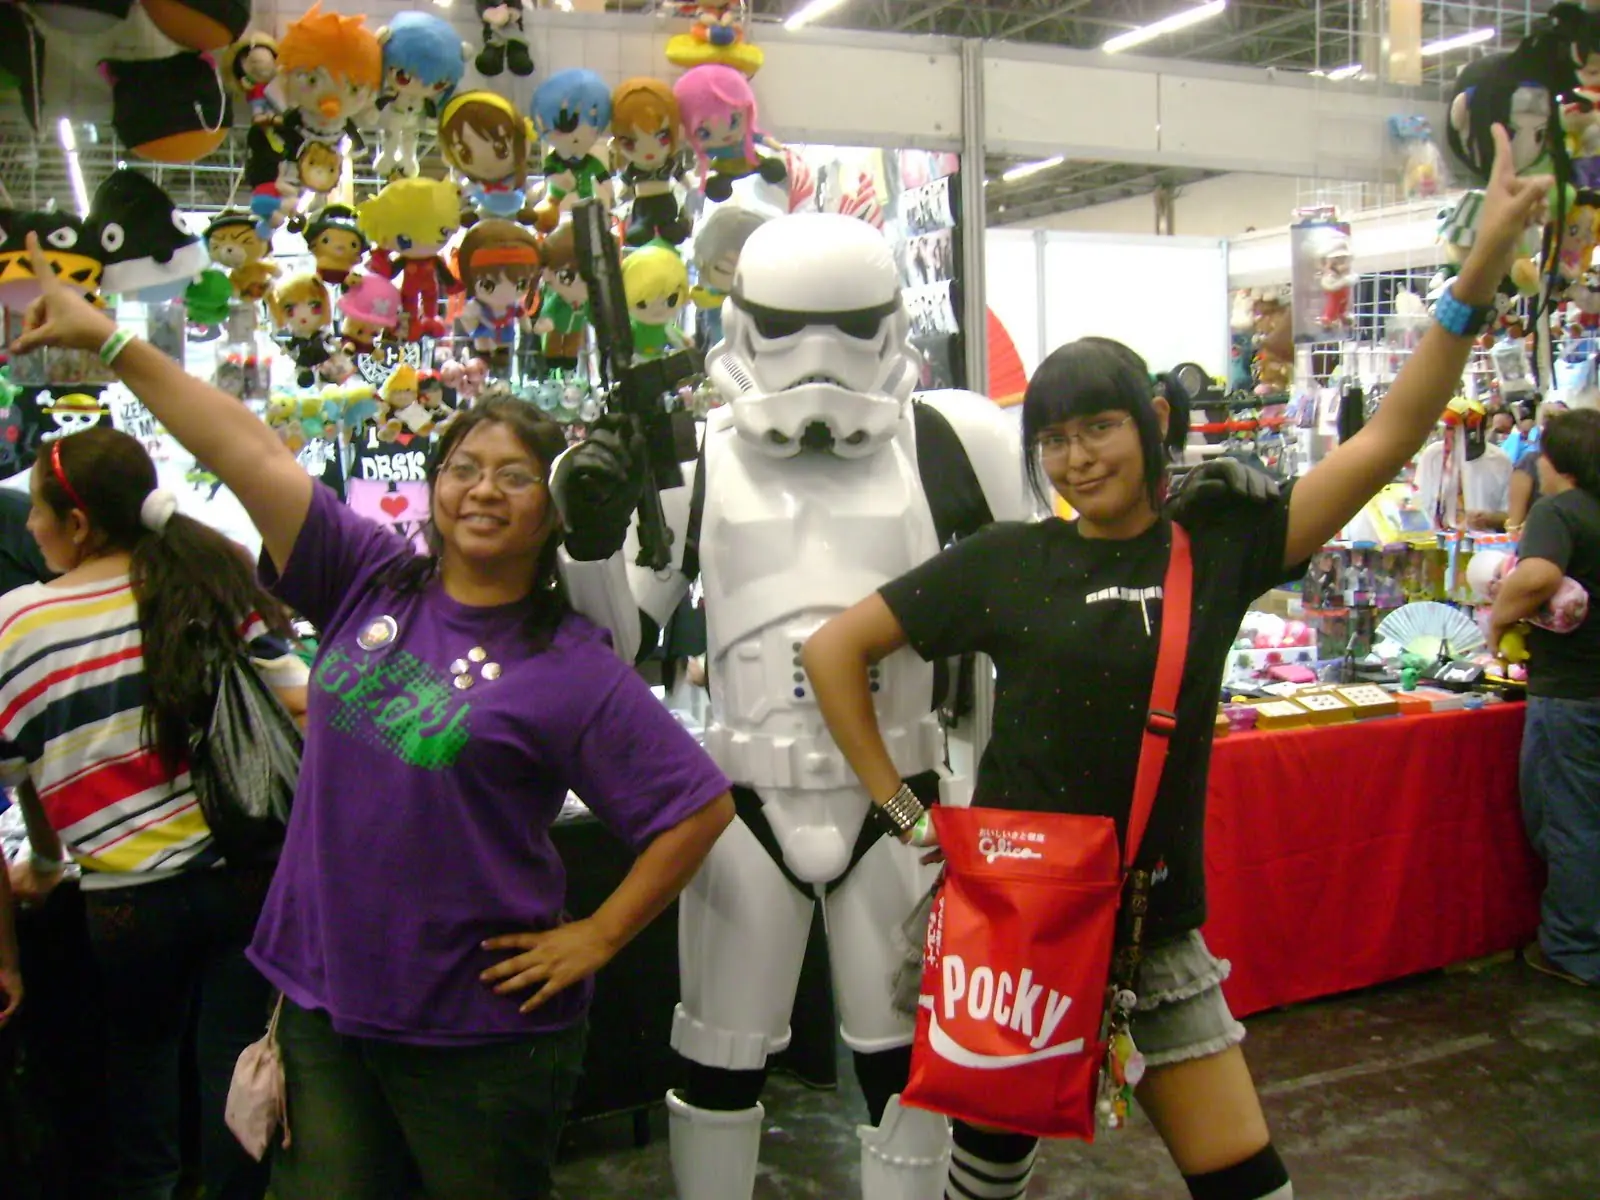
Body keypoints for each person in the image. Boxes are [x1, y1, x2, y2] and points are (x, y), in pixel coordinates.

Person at [804, 125, 1547, 1200]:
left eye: (1098, 428)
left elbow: (1387, 435)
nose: (1076, 459)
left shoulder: (1218, 546)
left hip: (1149, 931)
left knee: (1246, 1181)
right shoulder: (1007, 560)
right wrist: (905, 811)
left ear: (1151, 422)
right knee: (985, 1178)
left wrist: (1476, 274)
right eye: (1053, 440)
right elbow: (833, 649)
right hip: (1015, 920)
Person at [8, 230, 736, 1200]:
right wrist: (110, 341)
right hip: (322, 1002)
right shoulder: (370, 578)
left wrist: (597, 935)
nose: (484, 489)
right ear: (435, 485)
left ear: (552, 511)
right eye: (464, 466)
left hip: (477, 1032)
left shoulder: (569, 664)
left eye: (516, 475)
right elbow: (245, 449)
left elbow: (697, 807)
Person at [0, 426, 301, 1200]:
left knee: (141, 1073)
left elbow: (22, 769)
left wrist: (29, 900)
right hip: (246, 876)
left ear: (77, 524)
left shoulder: (16, 625)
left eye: (36, 510)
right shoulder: (212, 582)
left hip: (125, 905)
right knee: (235, 1067)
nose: (28, 525)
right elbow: (302, 703)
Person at [1489, 407, 1600, 988]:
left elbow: (1535, 576)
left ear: (1556, 463)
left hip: (1573, 692)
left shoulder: (1558, 512)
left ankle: (1575, 949)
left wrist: (1498, 617)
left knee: (1569, 820)